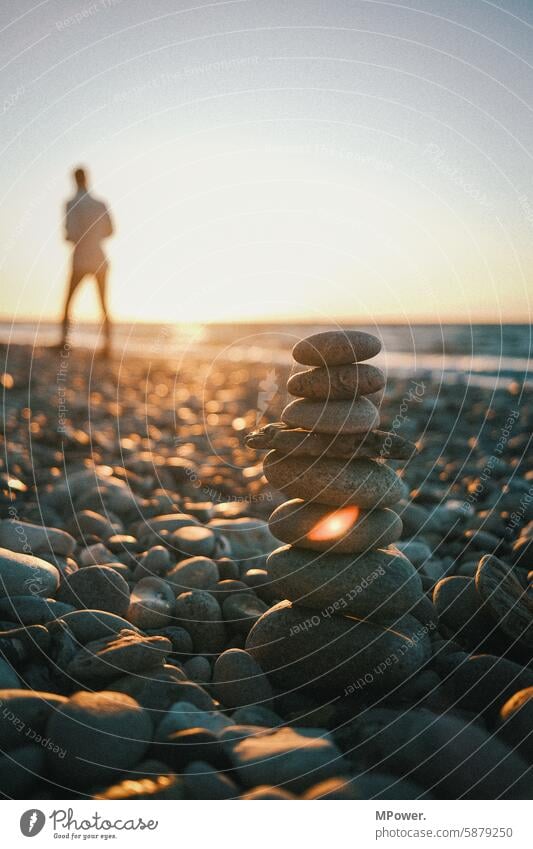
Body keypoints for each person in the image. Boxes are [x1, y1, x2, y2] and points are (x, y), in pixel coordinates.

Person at [60, 167, 114, 354]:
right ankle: (108, 345)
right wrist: (95, 236)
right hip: (99, 258)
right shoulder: (100, 204)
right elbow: (111, 231)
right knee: (103, 303)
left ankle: (64, 341)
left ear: (75, 180)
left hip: (81, 259)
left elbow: (71, 234)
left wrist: (73, 237)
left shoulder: (71, 203)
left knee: (68, 301)